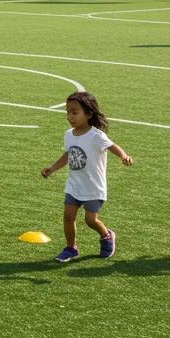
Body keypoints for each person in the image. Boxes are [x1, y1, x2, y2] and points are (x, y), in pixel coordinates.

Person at [40, 91, 132, 262]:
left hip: (93, 187)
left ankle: (107, 235)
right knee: (68, 216)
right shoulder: (69, 134)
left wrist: (123, 156)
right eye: (68, 112)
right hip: (74, 185)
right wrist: (52, 168)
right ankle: (71, 248)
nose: (70, 116)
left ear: (88, 114)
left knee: (90, 220)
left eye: (75, 113)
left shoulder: (96, 136)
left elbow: (113, 146)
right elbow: (67, 155)